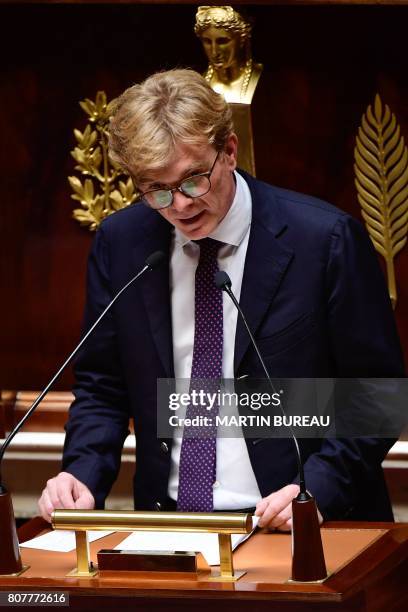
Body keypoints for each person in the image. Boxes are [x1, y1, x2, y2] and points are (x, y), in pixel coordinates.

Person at [38, 69, 404, 530]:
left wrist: (316, 489)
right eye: (157, 190)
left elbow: (376, 394)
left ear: (229, 151)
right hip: (169, 526)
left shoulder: (325, 241)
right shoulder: (123, 243)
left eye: (193, 180)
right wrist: (82, 473)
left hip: (301, 523)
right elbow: (103, 385)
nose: (181, 206)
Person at [194, 6, 262, 104]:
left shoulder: (259, 77)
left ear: (241, 40)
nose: (214, 52)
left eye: (222, 41)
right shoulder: (200, 82)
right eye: (207, 41)